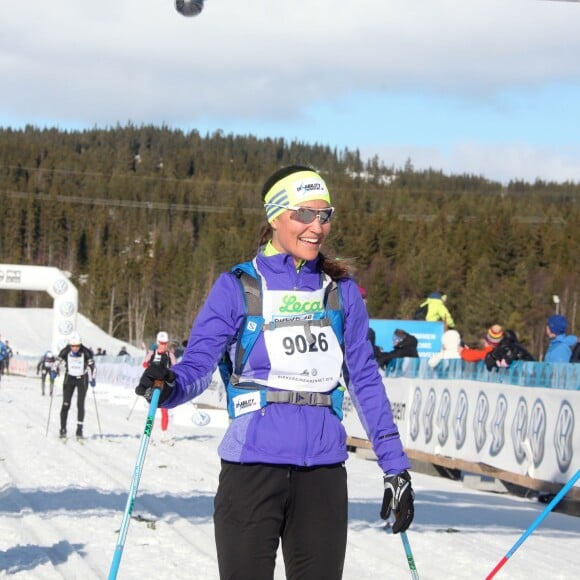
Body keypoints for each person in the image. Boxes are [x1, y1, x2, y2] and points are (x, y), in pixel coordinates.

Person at [135, 165, 414, 580]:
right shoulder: (238, 286)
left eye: (325, 215)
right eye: (304, 214)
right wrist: (167, 384)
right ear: (274, 217)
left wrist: (395, 466)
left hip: (322, 472)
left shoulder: (340, 292)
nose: (316, 227)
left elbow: (366, 380)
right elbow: (198, 365)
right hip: (252, 468)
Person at [53, 332, 96, 439]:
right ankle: (63, 429)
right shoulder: (65, 350)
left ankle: (79, 430)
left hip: (82, 379)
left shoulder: (86, 352)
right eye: (73, 346)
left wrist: (93, 378)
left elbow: (92, 366)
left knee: (80, 404)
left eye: (77, 346)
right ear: (70, 345)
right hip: (69, 379)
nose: (75, 348)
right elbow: (56, 362)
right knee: (66, 404)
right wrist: (54, 371)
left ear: (80, 344)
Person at [143, 331, 176, 438]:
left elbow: (175, 367)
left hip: (165, 384)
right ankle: (148, 434)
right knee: (152, 409)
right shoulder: (152, 353)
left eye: (165, 343)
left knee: (164, 410)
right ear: (158, 342)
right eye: (161, 343)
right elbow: (145, 363)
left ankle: (164, 434)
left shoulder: (169, 354)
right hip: (153, 384)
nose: (163, 345)